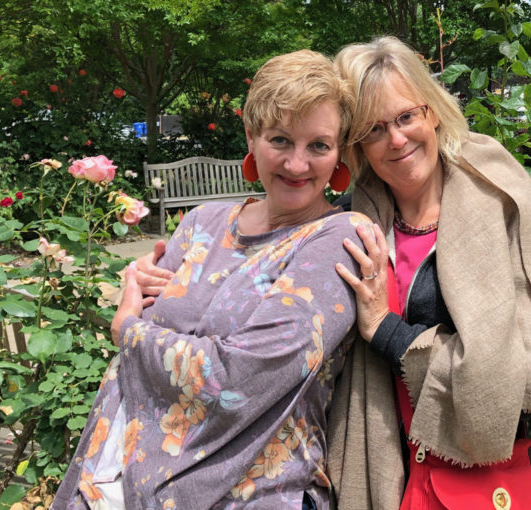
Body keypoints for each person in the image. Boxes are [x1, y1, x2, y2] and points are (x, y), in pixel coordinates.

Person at [52, 49, 373, 510]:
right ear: (251, 135)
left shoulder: (336, 239)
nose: (297, 164)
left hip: (253, 493)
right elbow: (130, 365)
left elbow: (241, 377)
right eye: (280, 140)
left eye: (318, 146)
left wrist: (129, 332)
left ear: (339, 151)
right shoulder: (201, 223)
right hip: (122, 483)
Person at [326, 37, 531, 509]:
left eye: (406, 116)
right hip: (385, 471)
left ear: (433, 111)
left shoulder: (497, 201)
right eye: (374, 130)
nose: (397, 139)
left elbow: (503, 373)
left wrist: (386, 331)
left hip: (472, 482)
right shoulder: (352, 221)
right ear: (357, 145)